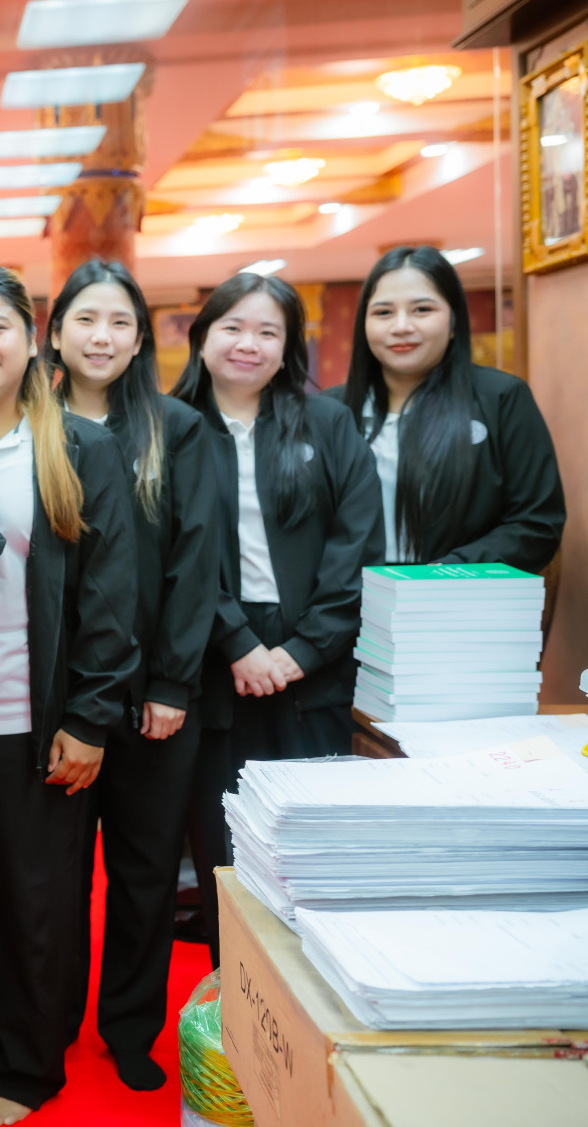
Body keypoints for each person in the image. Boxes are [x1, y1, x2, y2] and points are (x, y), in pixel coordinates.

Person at [0, 267, 139, 1127]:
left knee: (36, 903)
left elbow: (112, 596)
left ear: (31, 337)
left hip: (36, 721)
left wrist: (90, 718)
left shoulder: (79, 448)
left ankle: (26, 1065)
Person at [170, 272, 383, 970]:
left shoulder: (328, 422)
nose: (249, 344)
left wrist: (303, 650)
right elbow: (172, 553)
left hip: (313, 667)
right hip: (212, 663)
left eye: (268, 331)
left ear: (289, 346)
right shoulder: (172, 426)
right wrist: (237, 641)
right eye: (233, 327)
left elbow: (358, 544)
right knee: (225, 854)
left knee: (314, 856)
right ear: (202, 336)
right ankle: (235, 1004)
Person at [43, 259, 217, 1091]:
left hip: (152, 695)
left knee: (144, 870)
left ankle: (131, 1025)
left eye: (119, 322)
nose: (101, 336)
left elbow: (195, 560)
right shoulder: (33, 424)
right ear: (55, 333)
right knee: (57, 874)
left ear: (141, 338)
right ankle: (49, 1021)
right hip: (59, 694)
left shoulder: (175, 429)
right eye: (85, 319)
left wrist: (173, 683)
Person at [336, 245, 564, 573]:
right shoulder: (331, 411)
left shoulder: (501, 398)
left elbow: (536, 523)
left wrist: (446, 572)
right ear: (364, 324)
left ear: (454, 320)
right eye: (383, 313)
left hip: (458, 591)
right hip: (350, 595)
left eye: (422, 309)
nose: (401, 326)